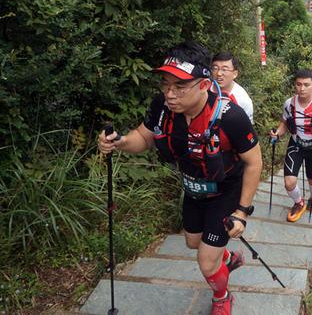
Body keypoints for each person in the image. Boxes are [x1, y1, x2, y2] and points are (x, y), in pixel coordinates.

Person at [98, 42, 262, 315]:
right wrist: (119, 142)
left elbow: (254, 162)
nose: (170, 94)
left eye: (180, 87)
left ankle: (222, 296)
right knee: (192, 242)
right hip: (193, 187)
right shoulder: (162, 106)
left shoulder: (230, 116)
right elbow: (144, 137)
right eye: (165, 84)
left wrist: (242, 211)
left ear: (203, 85)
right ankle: (227, 257)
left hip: (226, 190)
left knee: (206, 262)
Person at [270, 69, 312, 222]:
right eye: (299, 84)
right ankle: (299, 203)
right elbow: (285, 123)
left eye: (306, 85)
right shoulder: (289, 103)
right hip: (296, 144)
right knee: (289, 182)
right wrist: (277, 133)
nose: (302, 88)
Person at [211, 51, 254, 123]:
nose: (219, 73)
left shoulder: (243, 100)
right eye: (215, 68)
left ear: (235, 74)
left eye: (224, 69)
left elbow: (246, 128)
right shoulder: (204, 88)